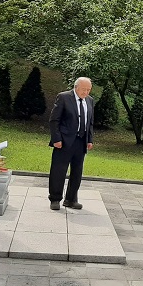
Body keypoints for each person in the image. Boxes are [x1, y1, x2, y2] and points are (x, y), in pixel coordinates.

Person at [48, 77, 94, 210]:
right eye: (84, 89)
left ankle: (71, 199)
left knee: (77, 171)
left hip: (81, 141)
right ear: (76, 87)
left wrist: (89, 139)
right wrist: (56, 139)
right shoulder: (64, 97)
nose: (86, 92)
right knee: (59, 170)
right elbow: (54, 120)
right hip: (64, 141)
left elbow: (90, 122)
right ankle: (55, 199)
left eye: (88, 90)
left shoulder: (90, 100)